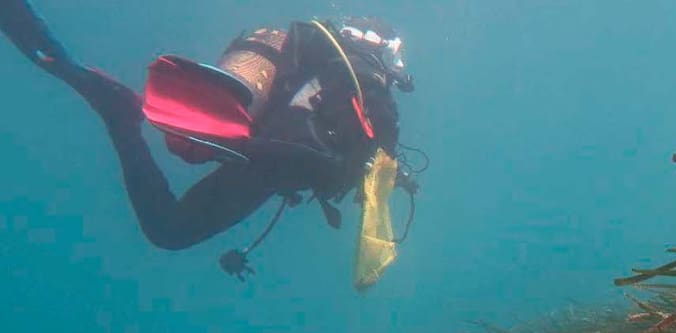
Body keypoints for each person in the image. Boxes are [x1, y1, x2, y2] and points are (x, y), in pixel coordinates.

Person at [0, 1, 418, 281]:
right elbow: (368, 144)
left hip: (265, 155)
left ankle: (122, 118)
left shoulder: (321, 56)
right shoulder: (370, 78)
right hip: (283, 158)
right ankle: (146, 125)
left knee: (168, 229)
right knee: (169, 228)